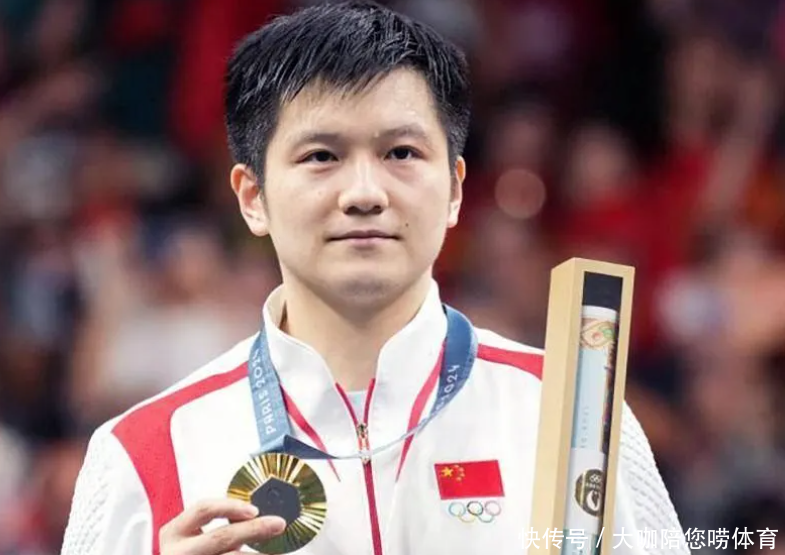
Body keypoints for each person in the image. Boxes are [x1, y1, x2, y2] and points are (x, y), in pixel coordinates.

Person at [61, 2, 688, 555]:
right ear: (252, 197)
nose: (364, 193)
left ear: (455, 190)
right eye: (321, 156)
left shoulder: (572, 416)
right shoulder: (142, 454)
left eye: (401, 153)